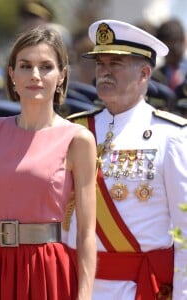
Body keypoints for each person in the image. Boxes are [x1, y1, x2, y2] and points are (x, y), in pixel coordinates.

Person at [0, 26, 97, 300]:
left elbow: (87, 233)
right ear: (12, 74)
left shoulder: (78, 139)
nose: (35, 76)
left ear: (62, 75)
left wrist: (85, 295)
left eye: (46, 67)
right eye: (25, 66)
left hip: (46, 269)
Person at [66, 19, 187, 299]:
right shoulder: (73, 129)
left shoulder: (170, 135)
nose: (104, 72)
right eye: (100, 64)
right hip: (75, 284)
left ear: (144, 73)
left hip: (136, 289)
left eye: (115, 64)